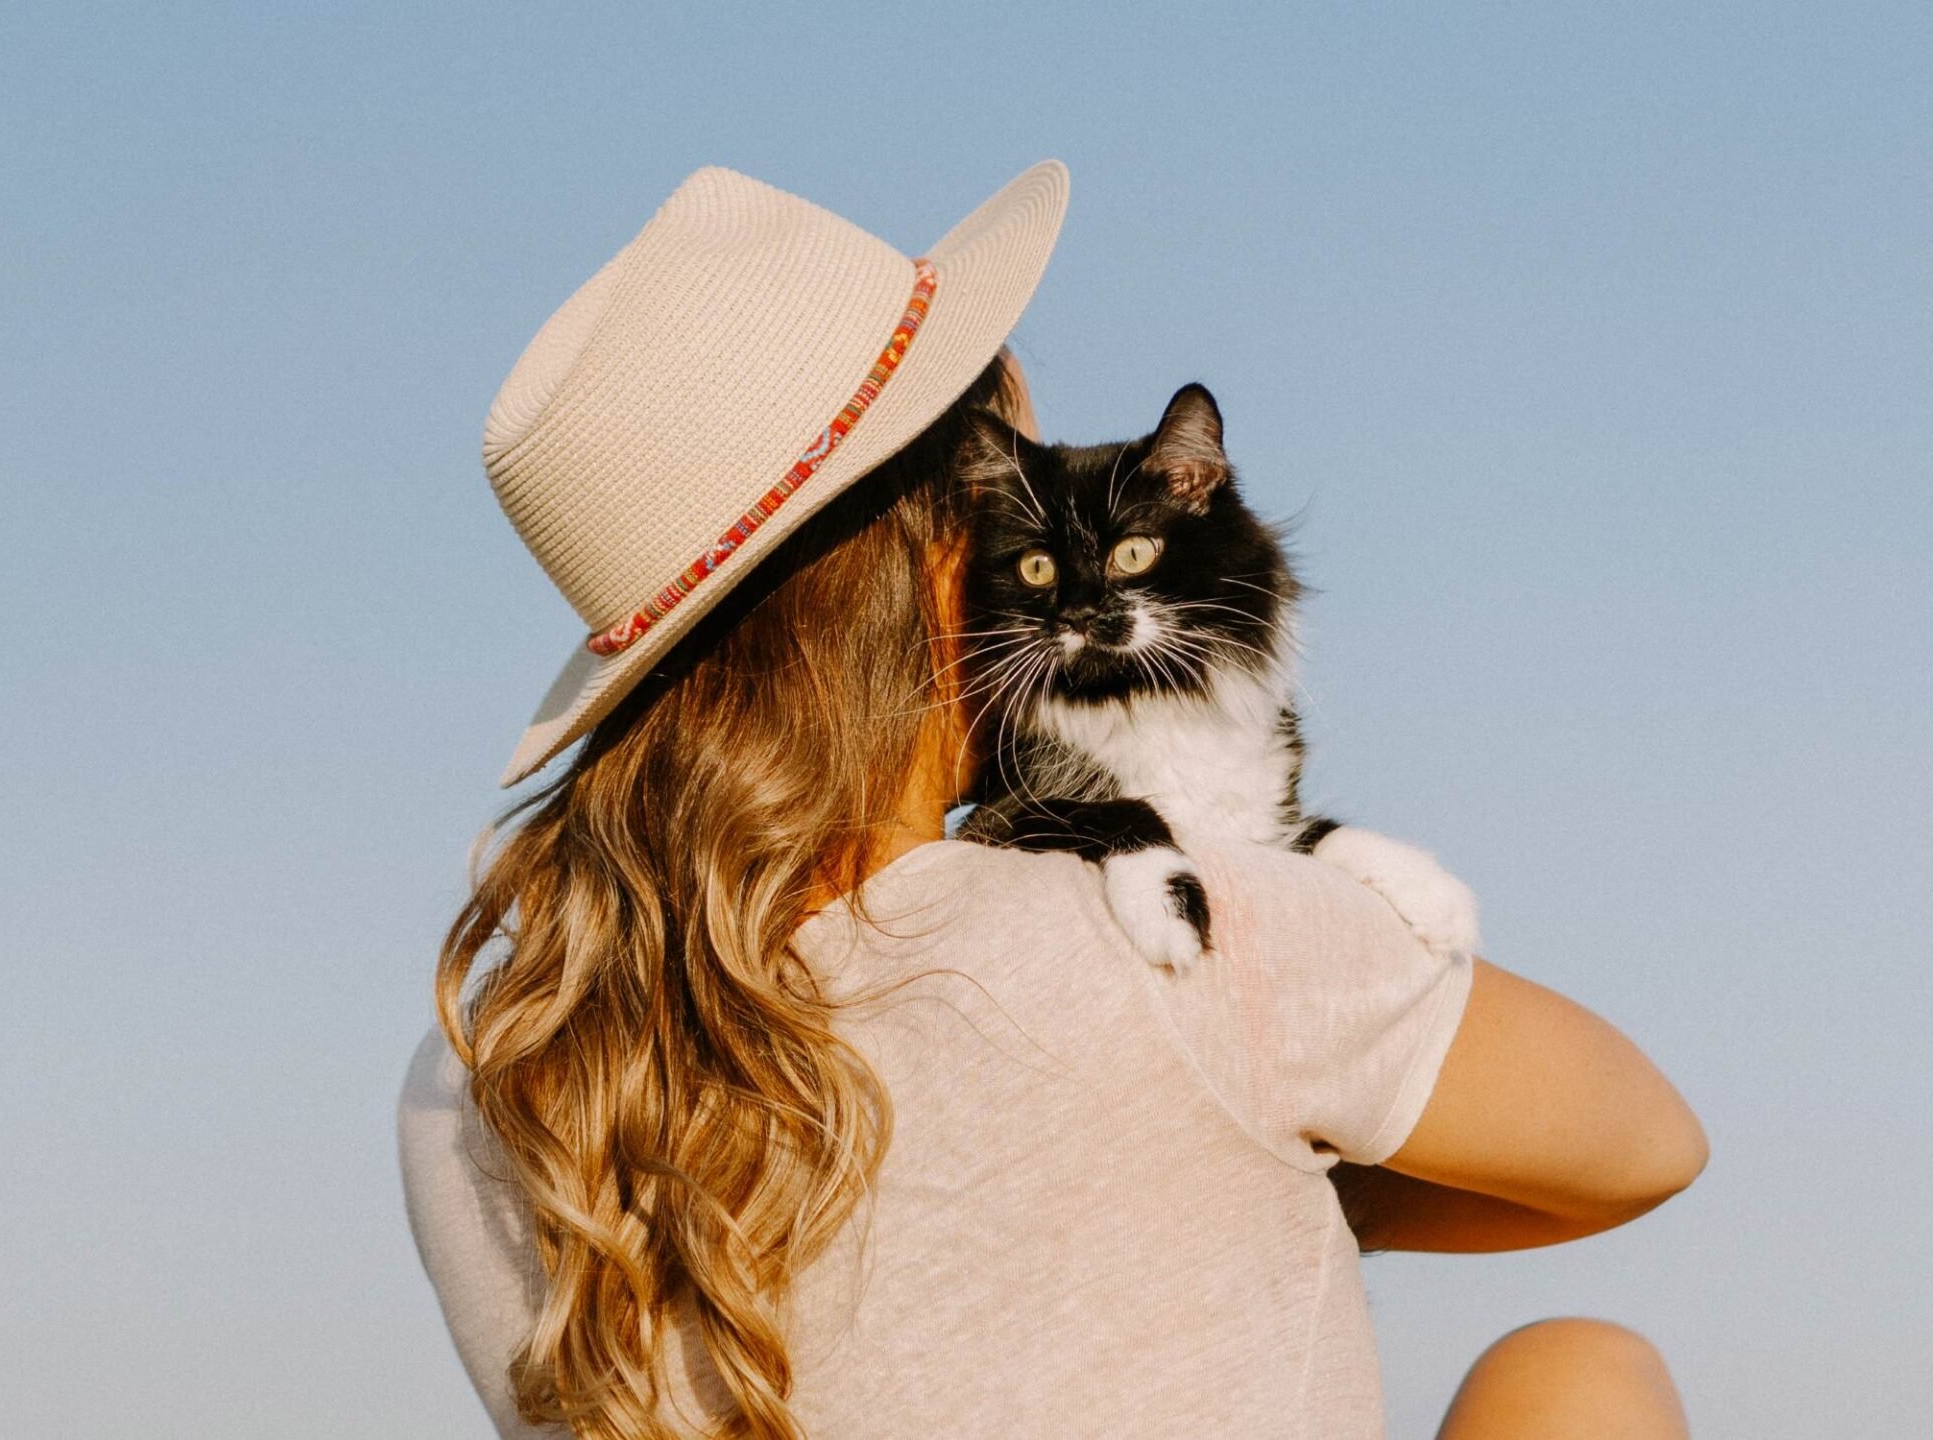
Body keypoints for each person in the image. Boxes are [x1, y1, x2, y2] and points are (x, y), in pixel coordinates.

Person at [399, 160, 1708, 1440]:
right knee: (1580, 1367)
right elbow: (1649, 1145)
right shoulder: (1186, 933)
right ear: (949, 559)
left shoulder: (474, 1087)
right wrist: (1272, 1166)